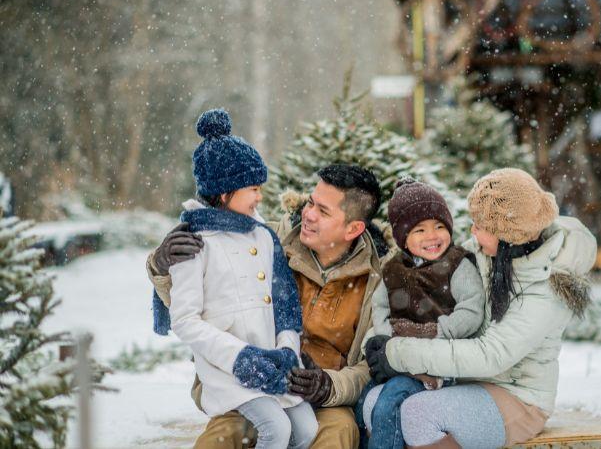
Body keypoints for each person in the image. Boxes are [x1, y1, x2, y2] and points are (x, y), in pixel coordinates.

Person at [148, 162, 390, 449]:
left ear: (353, 228)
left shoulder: (377, 281)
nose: (308, 214)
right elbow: (197, 307)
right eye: (310, 202)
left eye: (323, 211)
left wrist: (328, 386)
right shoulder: (263, 239)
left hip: (324, 398)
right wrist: (163, 266)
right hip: (249, 383)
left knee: (335, 433)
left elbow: (368, 368)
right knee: (222, 438)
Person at [366, 168, 597, 448]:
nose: (472, 231)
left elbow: (491, 355)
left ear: (507, 235)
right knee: (375, 405)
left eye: (480, 225)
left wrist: (400, 353)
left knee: (418, 414)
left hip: (518, 397)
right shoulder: (487, 254)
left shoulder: (547, 289)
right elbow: (432, 284)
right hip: (464, 381)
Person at [163, 108, 317, 448]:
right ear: (224, 192)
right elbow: (185, 320)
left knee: (306, 429)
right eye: (253, 189)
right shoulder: (194, 242)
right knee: (275, 428)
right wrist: (241, 358)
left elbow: (285, 304)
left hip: (274, 363)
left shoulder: (263, 236)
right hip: (228, 369)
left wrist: (286, 351)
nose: (260, 197)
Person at [359, 178, 484, 449]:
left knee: (389, 402)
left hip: (439, 363)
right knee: (361, 402)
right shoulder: (392, 269)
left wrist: (436, 331)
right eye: (420, 230)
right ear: (403, 237)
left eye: (440, 226)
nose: (432, 236)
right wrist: (384, 342)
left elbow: (472, 310)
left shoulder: (457, 265)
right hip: (398, 359)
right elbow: (380, 308)